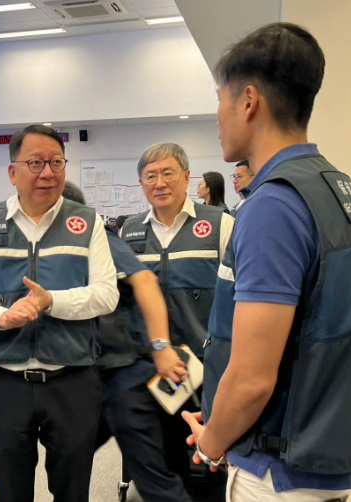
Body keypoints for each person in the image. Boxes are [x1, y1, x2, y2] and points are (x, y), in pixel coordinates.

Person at [183, 23, 351, 501]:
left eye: (220, 100)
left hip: (279, 472)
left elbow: (251, 379)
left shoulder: (273, 205)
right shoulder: (336, 187)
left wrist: (210, 444)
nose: (217, 115)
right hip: (325, 455)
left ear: (248, 101)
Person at [0, 124, 118, 502]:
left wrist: (50, 301)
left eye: (56, 162)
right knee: (10, 491)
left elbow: (107, 294)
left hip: (71, 379)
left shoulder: (87, 222)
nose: (48, 172)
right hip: (5, 382)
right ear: (13, 172)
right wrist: (0, 316)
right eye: (36, 162)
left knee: (72, 490)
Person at [60, 181, 189, 502]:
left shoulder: (96, 237)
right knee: (67, 461)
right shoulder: (65, 248)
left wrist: (161, 346)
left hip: (126, 380)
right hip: (97, 380)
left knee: (155, 482)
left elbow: (145, 279)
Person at [119, 142, 234, 501]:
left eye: (168, 173)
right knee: (164, 463)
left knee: (213, 461)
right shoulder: (130, 232)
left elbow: (240, 297)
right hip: (154, 371)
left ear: (187, 177)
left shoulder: (220, 225)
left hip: (209, 370)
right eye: (150, 176)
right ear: (141, 183)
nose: (159, 182)